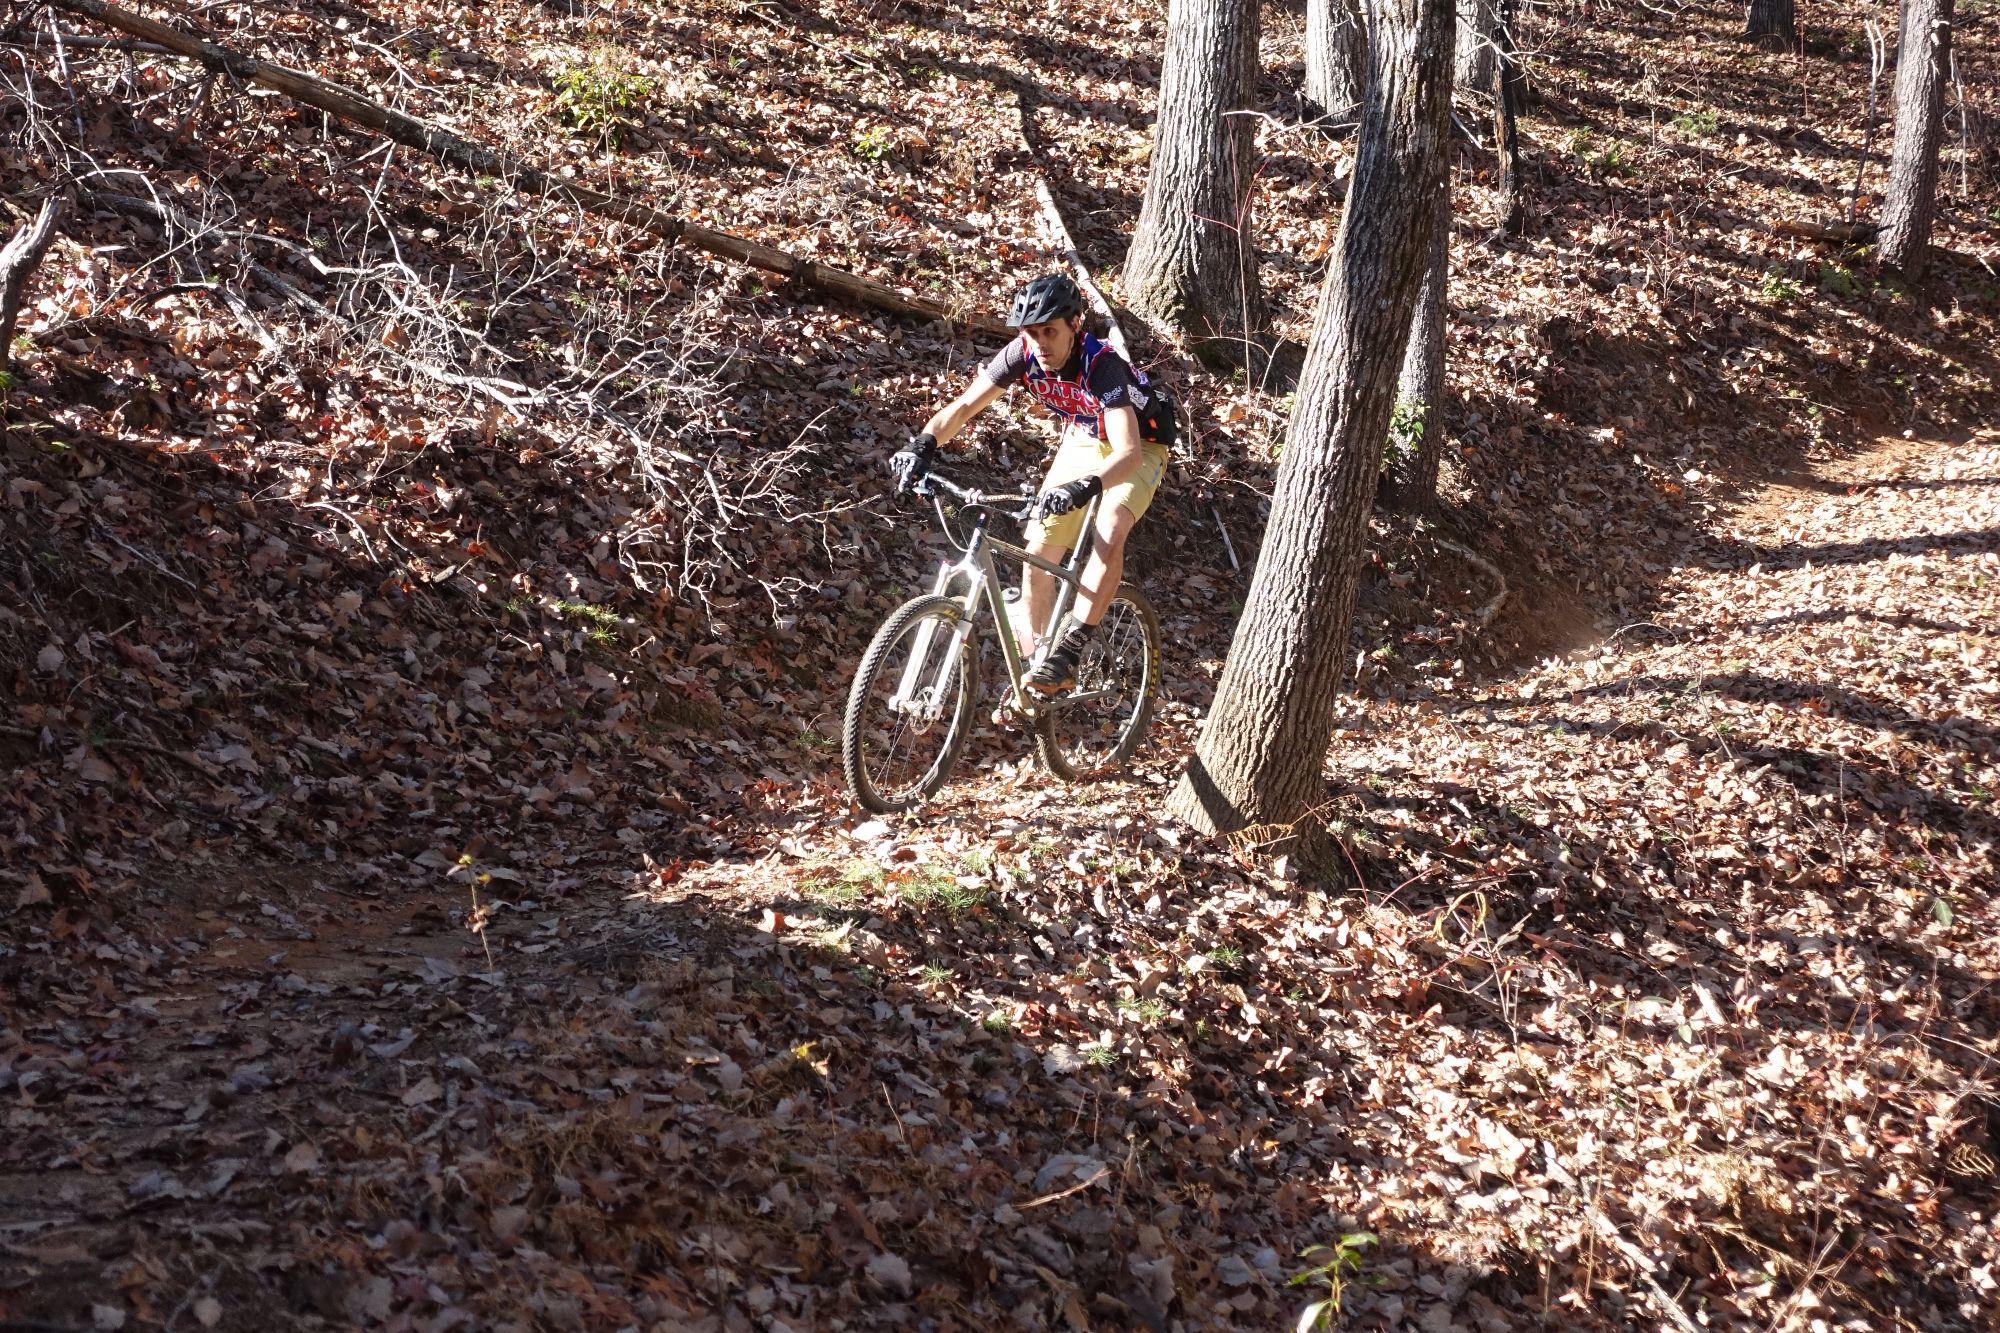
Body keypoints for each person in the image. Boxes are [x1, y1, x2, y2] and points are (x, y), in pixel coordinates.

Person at [890, 274, 1176, 694]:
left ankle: (1070, 648)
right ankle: (1036, 668)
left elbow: (1128, 452)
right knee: (1038, 552)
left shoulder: (1103, 366)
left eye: (1050, 332)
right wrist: (924, 443)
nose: (1040, 343)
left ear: (1075, 325)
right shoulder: (1020, 355)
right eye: (1031, 332)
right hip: (1085, 436)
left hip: (1142, 444)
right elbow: (967, 404)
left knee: (1110, 527)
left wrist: (1085, 487)